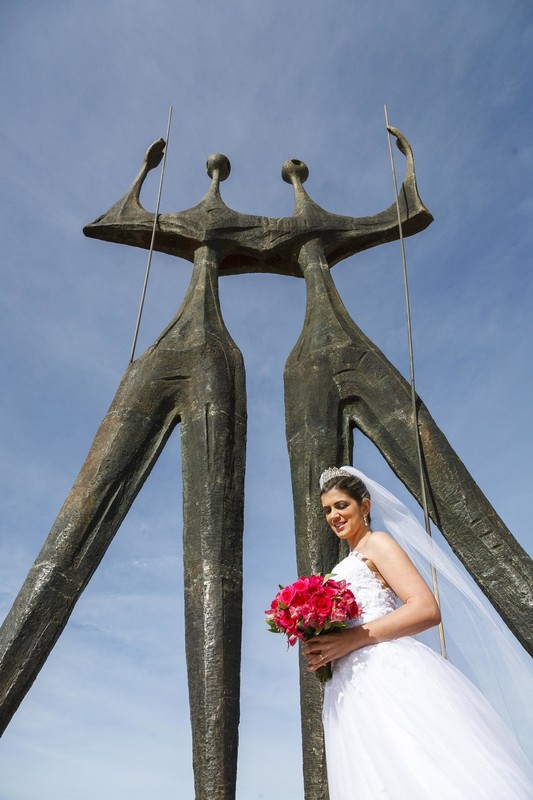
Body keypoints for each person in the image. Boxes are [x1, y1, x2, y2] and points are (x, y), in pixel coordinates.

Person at [303, 466, 533, 800]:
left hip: (385, 676)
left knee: (419, 768)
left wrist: (350, 639)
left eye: (341, 505)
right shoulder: (344, 564)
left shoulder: (378, 543)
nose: (334, 516)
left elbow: (426, 608)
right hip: (350, 689)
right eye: (327, 510)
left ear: (364, 506)